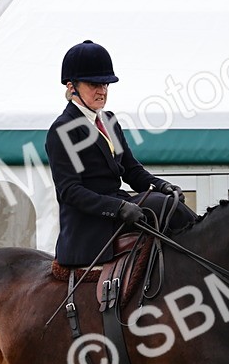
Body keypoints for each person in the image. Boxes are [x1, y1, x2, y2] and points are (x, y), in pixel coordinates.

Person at [45, 40, 197, 267]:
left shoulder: (109, 121)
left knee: (164, 202)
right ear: (71, 87)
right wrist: (117, 208)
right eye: (93, 84)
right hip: (91, 222)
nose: (102, 91)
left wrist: (161, 184)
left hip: (122, 206)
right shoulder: (63, 130)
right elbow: (70, 191)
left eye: (106, 84)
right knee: (160, 204)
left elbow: (132, 171)